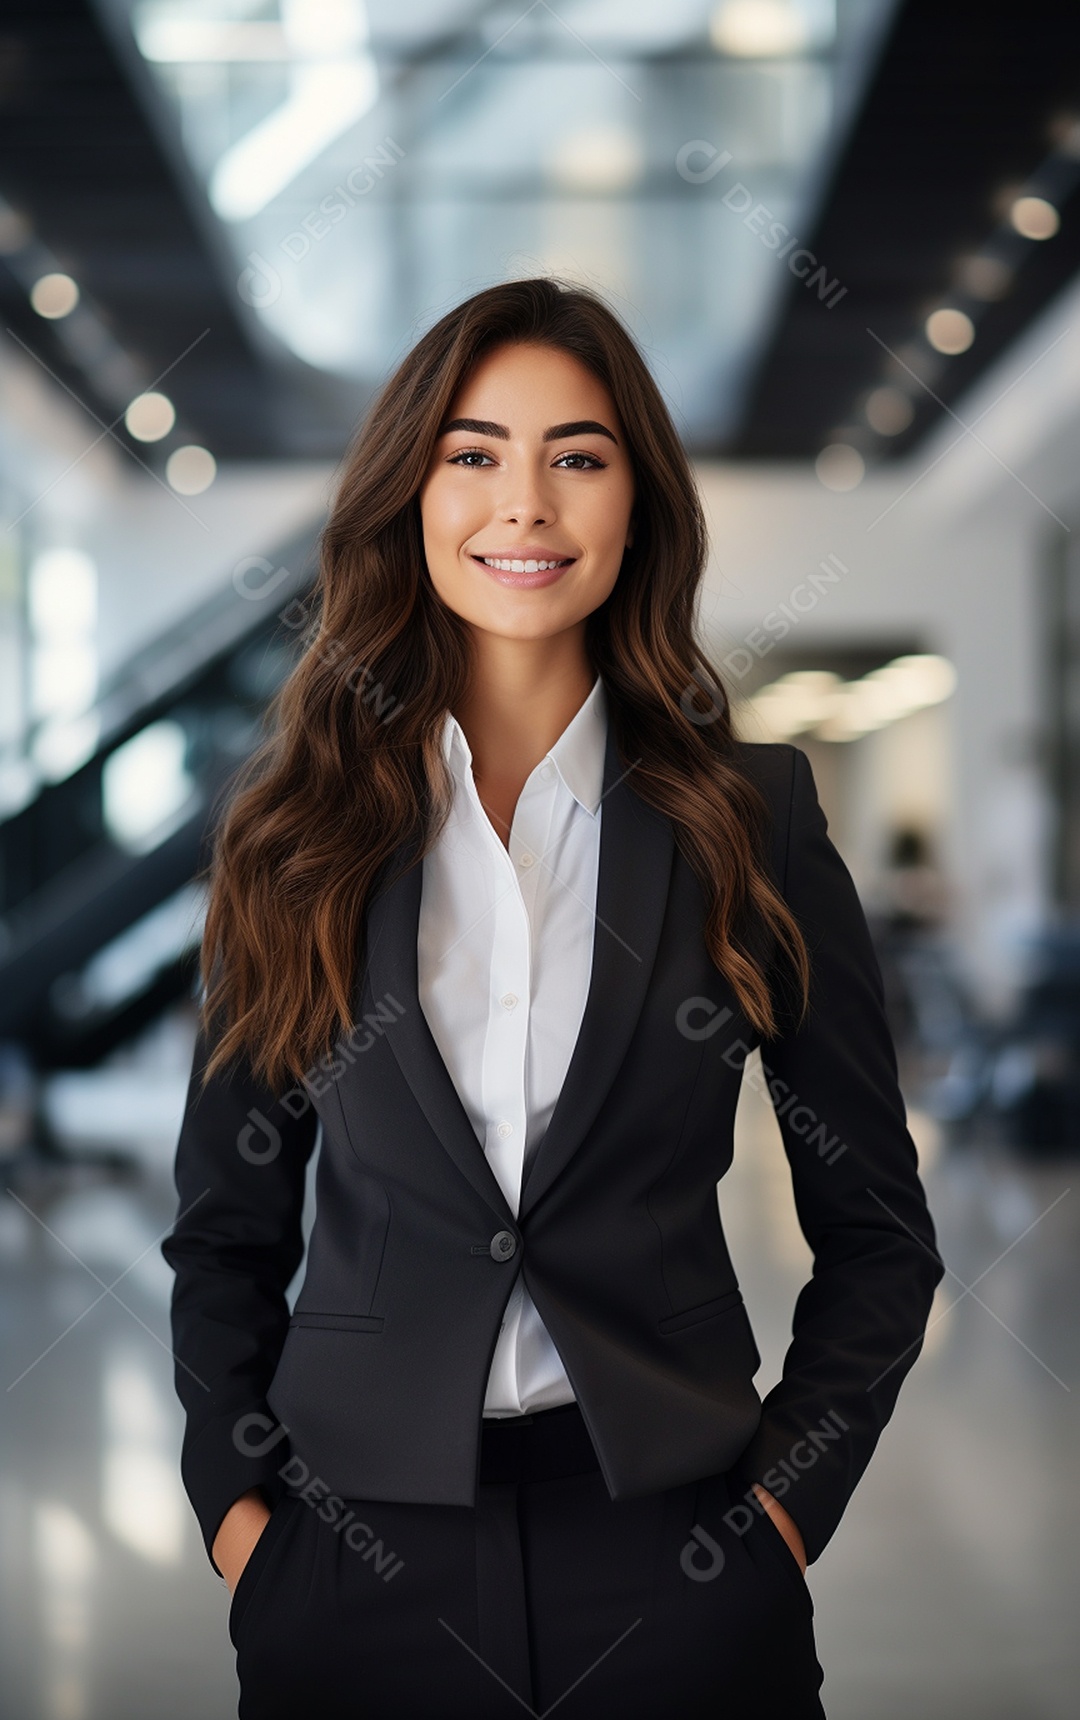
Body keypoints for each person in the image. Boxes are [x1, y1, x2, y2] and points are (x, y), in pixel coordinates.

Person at [161, 277, 945, 1719]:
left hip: (681, 1556)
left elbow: (882, 1234)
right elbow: (223, 1233)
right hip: (352, 1564)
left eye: (577, 456)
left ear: (638, 502)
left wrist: (780, 1519)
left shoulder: (745, 814)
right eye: (473, 454)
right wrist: (242, 1522)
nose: (525, 503)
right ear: (410, 494)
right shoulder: (294, 830)